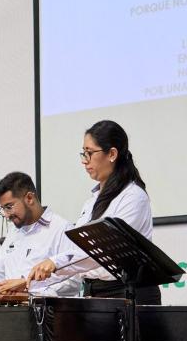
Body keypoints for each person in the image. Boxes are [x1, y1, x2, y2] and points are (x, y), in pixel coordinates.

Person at [26, 120, 160, 304]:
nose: (84, 161)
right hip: (94, 292)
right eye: (83, 153)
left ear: (112, 154)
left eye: (90, 153)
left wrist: (55, 262)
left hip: (128, 294)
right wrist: (29, 282)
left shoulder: (133, 197)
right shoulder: (91, 202)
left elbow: (104, 252)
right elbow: (77, 254)